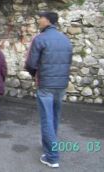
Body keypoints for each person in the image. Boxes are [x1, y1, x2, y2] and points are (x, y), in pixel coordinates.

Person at [25, 11, 73, 168]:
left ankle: (52, 157)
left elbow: (30, 64)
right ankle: (49, 145)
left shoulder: (40, 39)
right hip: (61, 85)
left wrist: (35, 75)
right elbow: (68, 62)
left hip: (45, 84)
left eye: (41, 18)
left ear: (47, 21)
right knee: (54, 117)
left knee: (47, 119)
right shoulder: (66, 40)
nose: (39, 20)